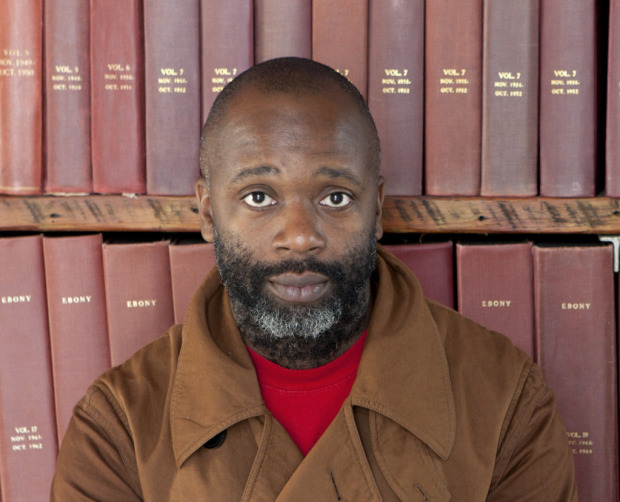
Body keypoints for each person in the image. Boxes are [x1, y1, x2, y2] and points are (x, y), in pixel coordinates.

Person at [51, 57, 577, 500]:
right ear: (208, 213)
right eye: (259, 197)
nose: (300, 237)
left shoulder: (507, 401)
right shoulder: (117, 430)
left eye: (336, 198)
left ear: (377, 211)